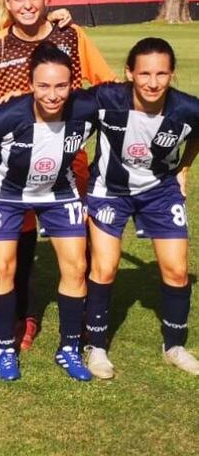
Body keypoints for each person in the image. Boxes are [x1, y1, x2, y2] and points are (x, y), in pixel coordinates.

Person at [0, 0, 112, 350]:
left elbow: (106, 86)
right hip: (14, 169)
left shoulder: (71, 35)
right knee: (18, 247)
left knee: (78, 246)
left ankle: (83, 318)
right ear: (7, 1)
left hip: (69, 164)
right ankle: (23, 317)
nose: (29, 5)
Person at [83, 37, 199, 378]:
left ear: (172, 74)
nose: (152, 82)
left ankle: (174, 346)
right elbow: (56, 101)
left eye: (161, 74)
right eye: (144, 73)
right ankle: (98, 346)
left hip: (160, 192)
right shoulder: (107, 99)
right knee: (104, 268)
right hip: (109, 191)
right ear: (129, 72)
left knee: (177, 270)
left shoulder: (187, 109)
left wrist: (184, 167)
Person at [0, 42, 97, 381]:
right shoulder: (7, 115)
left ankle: (69, 348)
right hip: (6, 194)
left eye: (60, 86)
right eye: (44, 85)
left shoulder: (87, 108)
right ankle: (5, 348)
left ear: (72, 84)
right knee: (4, 266)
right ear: (30, 84)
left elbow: (131, 96)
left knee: (77, 266)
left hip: (58, 191)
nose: (52, 94)